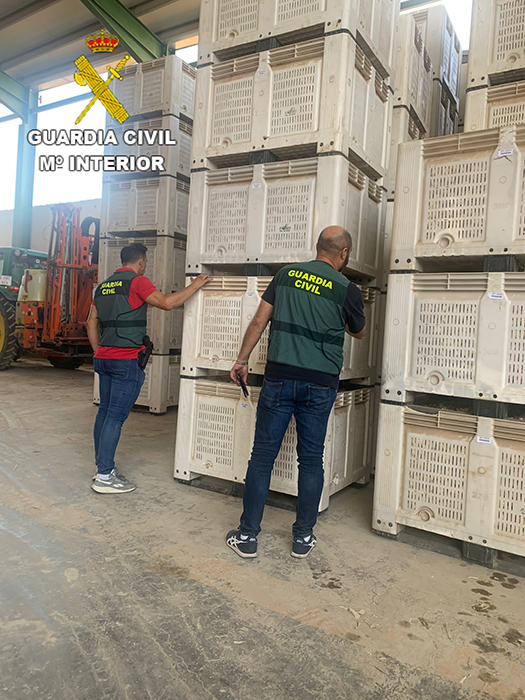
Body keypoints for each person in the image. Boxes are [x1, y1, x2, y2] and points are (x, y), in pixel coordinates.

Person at [226, 226, 366, 559]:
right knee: (311, 460)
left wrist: (242, 360)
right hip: (320, 383)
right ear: (344, 253)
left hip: (279, 378)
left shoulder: (286, 275)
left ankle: (247, 536)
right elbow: (359, 331)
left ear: (317, 247)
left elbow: (259, 321)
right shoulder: (347, 288)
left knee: (262, 457)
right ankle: (302, 538)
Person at [86, 242, 211, 494]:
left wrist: (99, 351)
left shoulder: (103, 286)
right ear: (141, 261)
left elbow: (90, 322)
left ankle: (103, 469)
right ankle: (104, 476)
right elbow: (166, 303)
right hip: (125, 360)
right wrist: (196, 285)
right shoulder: (138, 282)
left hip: (103, 358)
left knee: (105, 413)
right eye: (145, 262)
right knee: (115, 417)